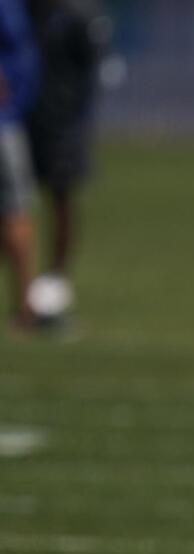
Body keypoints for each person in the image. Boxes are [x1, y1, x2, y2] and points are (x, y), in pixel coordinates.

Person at [23, 0, 111, 328]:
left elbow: (96, 72)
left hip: (64, 125)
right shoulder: (24, 10)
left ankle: (54, 283)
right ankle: (25, 289)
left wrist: (76, 119)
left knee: (62, 200)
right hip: (24, 118)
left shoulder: (79, 15)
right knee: (16, 206)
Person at [0, 0, 36, 334]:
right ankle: (26, 309)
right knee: (15, 212)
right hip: (3, 125)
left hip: (11, 120)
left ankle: (25, 308)